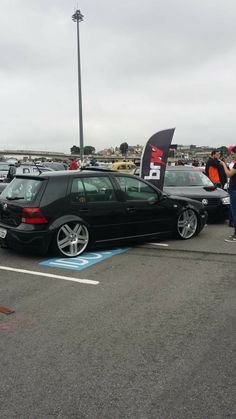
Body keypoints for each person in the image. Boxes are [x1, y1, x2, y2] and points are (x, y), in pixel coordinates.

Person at [220, 146, 236, 242]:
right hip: (233, 189)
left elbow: (229, 174)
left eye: (233, 154)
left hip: (234, 190)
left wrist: (224, 165)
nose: (232, 155)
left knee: (234, 212)